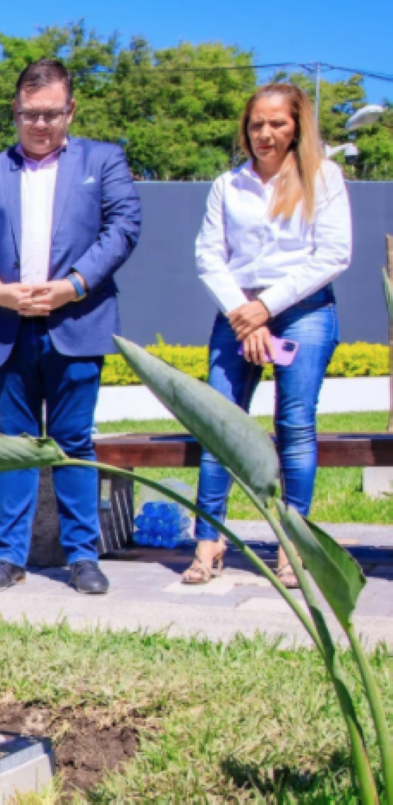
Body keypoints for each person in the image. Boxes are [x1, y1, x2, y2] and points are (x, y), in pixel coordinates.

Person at [0, 58, 142, 595]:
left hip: (77, 323)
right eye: (30, 114)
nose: (40, 124)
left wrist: (72, 286)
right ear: (15, 110)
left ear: (70, 110)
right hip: (5, 328)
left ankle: (83, 556)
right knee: (14, 443)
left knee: (74, 441)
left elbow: (124, 228)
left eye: (52, 114)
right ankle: (9, 556)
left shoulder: (103, 162)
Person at [187, 83, 352, 587]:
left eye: (276, 123)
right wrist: (244, 312)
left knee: (295, 424)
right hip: (238, 311)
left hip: (303, 311)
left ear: (298, 126)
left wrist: (266, 308)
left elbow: (333, 255)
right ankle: (207, 540)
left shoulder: (323, 178)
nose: (264, 133)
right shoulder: (227, 185)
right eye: (256, 123)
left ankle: (291, 544)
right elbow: (208, 256)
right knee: (220, 424)